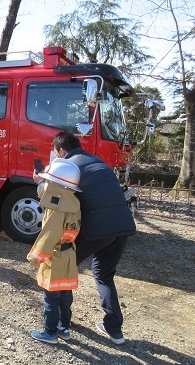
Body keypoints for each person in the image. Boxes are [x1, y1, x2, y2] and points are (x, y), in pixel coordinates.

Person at [38, 131, 136, 345]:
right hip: (122, 226)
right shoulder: (96, 160)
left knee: (62, 269)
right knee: (104, 275)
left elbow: (57, 200)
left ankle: (61, 324)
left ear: (61, 151)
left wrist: (41, 182)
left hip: (96, 229)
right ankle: (115, 330)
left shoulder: (68, 168)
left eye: (55, 153)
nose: (55, 157)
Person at [28, 158, 82, 344]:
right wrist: (41, 184)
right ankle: (63, 328)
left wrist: (34, 257)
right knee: (65, 296)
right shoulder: (73, 202)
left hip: (55, 255)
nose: (47, 184)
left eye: (49, 181)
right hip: (69, 255)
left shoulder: (57, 210)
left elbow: (49, 236)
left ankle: (50, 332)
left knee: (51, 298)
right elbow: (50, 196)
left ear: (57, 184)